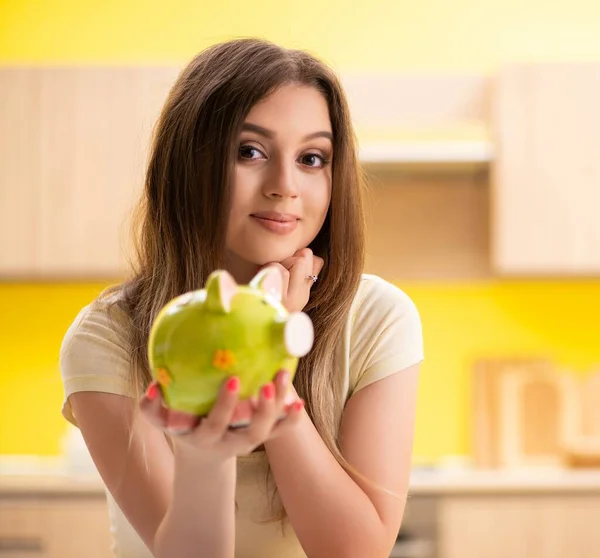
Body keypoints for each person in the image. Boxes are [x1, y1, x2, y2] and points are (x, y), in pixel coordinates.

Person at [59, 37, 424, 558]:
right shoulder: (109, 336)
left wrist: (267, 343)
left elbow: (354, 553)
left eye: (312, 157)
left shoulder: (379, 318)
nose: (284, 185)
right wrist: (265, 329)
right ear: (189, 164)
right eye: (250, 151)